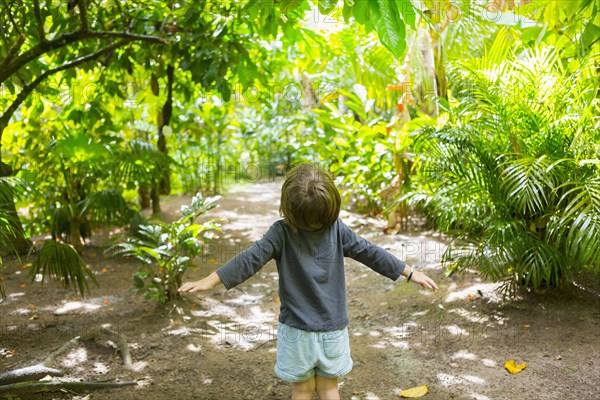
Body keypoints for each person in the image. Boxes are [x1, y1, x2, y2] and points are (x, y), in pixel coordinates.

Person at [179, 163, 439, 400]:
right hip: (333, 331)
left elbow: (250, 258)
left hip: (296, 332)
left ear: (287, 206)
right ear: (331, 206)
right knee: (328, 388)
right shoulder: (336, 228)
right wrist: (409, 272)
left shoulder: (280, 232)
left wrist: (211, 280)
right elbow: (370, 252)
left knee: (301, 389)